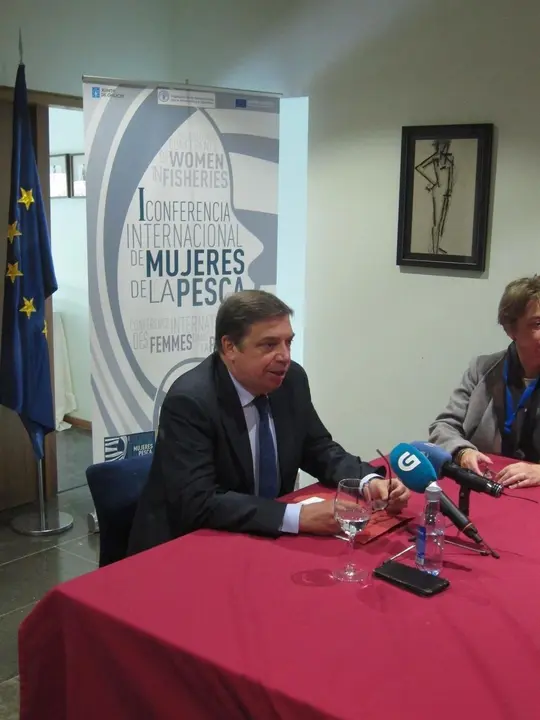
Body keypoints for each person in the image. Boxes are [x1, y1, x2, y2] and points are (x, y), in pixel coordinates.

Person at [128, 290, 410, 554]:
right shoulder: (191, 401)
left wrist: (368, 482)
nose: (285, 356)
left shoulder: (291, 381)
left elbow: (318, 449)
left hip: (259, 537)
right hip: (187, 546)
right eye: (269, 344)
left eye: (289, 342)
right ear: (230, 347)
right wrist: (297, 517)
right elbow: (199, 503)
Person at [429, 275, 540, 489]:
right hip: (487, 482)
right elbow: (443, 426)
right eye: (538, 324)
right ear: (511, 330)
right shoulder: (482, 369)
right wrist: (462, 452)